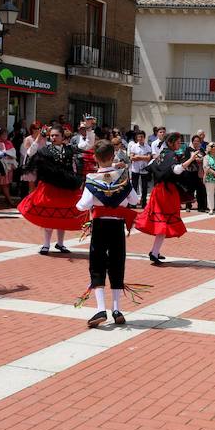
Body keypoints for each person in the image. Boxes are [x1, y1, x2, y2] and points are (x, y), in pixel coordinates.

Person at [75, 139, 140, 328]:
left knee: (97, 264)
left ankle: (100, 308)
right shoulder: (123, 178)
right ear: (113, 156)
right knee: (117, 262)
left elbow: (83, 205)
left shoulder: (92, 179)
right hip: (117, 226)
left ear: (95, 158)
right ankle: (117, 308)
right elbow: (134, 199)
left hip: (100, 226)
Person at [19, 126, 88, 254]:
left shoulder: (69, 149)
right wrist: (39, 137)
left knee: (63, 215)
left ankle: (60, 244)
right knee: (48, 214)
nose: (54, 138)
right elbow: (30, 153)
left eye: (57, 135)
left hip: (66, 185)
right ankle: (46, 244)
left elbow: (86, 145)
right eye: (52, 136)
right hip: (50, 185)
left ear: (63, 137)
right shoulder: (45, 150)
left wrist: (89, 129)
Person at [136, 132, 196, 264]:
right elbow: (177, 170)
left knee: (162, 222)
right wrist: (191, 159)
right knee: (163, 221)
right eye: (178, 142)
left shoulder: (162, 154)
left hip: (159, 190)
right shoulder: (170, 155)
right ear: (170, 143)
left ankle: (155, 252)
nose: (180, 144)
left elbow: (151, 167)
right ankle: (154, 252)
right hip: (166, 193)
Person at [0, 128, 17, 208]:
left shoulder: (9, 143)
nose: (5, 136)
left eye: (6, 134)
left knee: (3, 184)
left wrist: (7, 154)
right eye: (3, 134)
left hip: (8, 166)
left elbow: (13, 153)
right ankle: (9, 200)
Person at [127, 130, 152, 207]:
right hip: (135, 169)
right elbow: (132, 158)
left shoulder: (148, 147)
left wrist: (137, 156)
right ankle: (133, 202)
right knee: (134, 186)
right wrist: (142, 157)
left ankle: (143, 202)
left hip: (144, 169)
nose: (140, 138)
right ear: (137, 138)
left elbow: (148, 158)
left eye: (142, 137)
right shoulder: (134, 146)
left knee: (144, 187)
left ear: (144, 138)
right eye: (139, 137)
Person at [183, 135, 206, 212]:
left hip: (199, 173)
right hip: (190, 172)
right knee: (190, 190)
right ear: (192, 142)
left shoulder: (202, 150)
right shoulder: (188, 150)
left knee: (200, 190)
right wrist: (195, 160)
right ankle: (188, 206)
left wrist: (201, 160)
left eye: (198, 141)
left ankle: (201, 206)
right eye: (195, 141)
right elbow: (186, 159)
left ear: (200, 142)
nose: (196, 142)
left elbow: (205, 159)